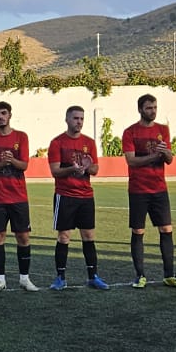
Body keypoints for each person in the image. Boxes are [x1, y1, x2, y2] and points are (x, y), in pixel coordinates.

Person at [123, 94, 176, 289]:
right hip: (138, 189)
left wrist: (166, 153)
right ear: (140, 109)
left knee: (166, 229)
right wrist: (153, 156)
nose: (153, 111)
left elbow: (169, 158)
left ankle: (169, 275)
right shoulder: (130, 132)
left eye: (155, 107)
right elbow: (131, 160)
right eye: (149, 108)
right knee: (138, 230)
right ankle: (140, 275)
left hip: (159, 188)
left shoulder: (162, 130)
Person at [46, 105, 109, 290]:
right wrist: (72, 169)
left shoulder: (89, 142)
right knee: (64, 236)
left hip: (85, 196)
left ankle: (93, 276)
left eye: (81, 118)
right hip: (64, 196)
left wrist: (86, 167)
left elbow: (95, 169)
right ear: (67, 120)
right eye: (75, 118)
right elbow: (55, 171)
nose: (79, 122)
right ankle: (60, 278)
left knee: (88, 236)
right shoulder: (57, 143)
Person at [0, 101, 38, 292]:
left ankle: (24, 278)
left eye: (3, 113)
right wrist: (2, 163)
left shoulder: (21, 137)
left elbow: (24, 165)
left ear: (10, 115)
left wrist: (11, 160)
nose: (0, 117)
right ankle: (0, 280)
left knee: (23, 237)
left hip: (18, 196)